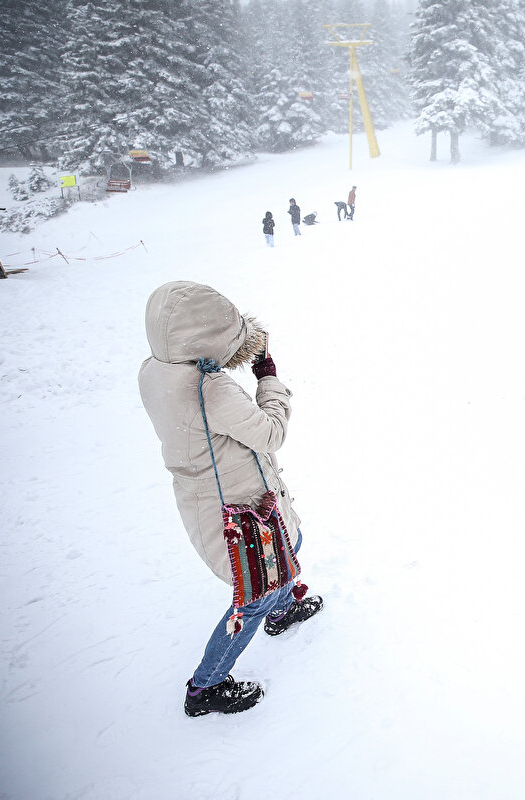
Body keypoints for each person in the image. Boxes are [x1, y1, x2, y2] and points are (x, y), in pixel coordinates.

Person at [138, 281, 324, 716]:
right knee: (254, 593)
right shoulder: (209, 387)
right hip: (239, 505)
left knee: (290, 547)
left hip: (208, 495)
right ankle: (206, 686)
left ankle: (280, 612)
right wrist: (268, 378)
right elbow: (270, 432)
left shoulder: (154, 368)